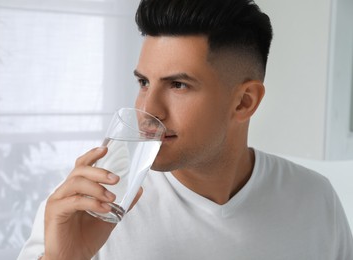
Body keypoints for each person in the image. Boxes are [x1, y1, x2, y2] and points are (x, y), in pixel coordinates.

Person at [18, 0, 353, 259]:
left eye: (178, 85)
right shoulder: (90, 204)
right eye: (144, 82)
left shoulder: (315, 200)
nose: (148, 110)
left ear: (244, 102)